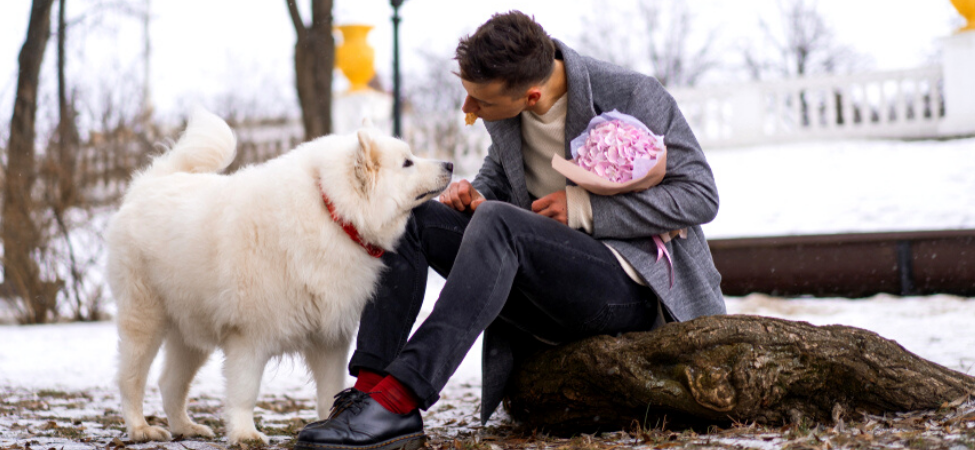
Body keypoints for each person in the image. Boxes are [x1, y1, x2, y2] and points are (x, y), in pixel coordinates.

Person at [296, 10, 725, 450]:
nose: (469, 109)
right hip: (543, 282)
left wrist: (585, 208)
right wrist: (475, 194)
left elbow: (699, 194)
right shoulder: (507, 109)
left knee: (498, 222)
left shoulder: (632, 92)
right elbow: (501, 177)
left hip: (626, 289)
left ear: (532, 95)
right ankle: (368, 393)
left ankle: (400, 396)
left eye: (479, 101)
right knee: (412, 218)